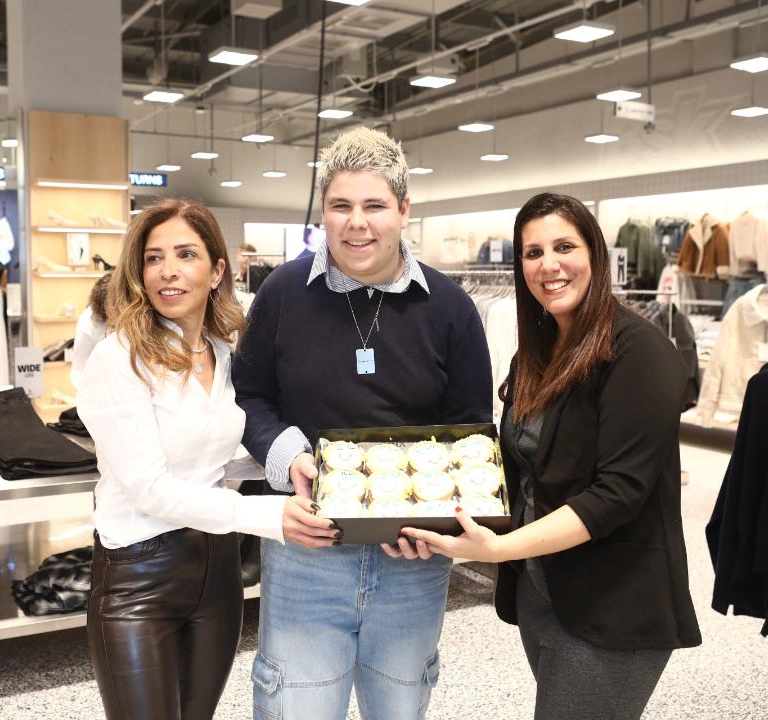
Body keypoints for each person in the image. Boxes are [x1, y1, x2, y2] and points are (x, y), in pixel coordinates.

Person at [402, 192, 702, 720]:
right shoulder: (537, 353)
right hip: (542, 590)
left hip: (613, 601)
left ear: (595, 254)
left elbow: (618, 494)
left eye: (565, 247)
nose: (549, 265)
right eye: (533, 252)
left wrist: (501, 548)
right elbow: (516, 464)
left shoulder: (640, 352)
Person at [232, 126, 492, 720]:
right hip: (306, 546)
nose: (357, 223)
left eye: (374, 205)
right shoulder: (283, 293)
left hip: (413, 557)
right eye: (340, 206)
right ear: (322, 213)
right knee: (296, 705)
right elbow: (249, 396)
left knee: (399, 705)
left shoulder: (451, 308)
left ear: (403, 210)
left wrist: (436, 516)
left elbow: (470, 428)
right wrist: (290, 457)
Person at [75, 198, 335, 720]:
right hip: (139, 577)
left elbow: (207, 457)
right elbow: (149, 487)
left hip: (216, 570)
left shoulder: (220, 351)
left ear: (217, 271)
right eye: (153, 258)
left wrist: (283, 465)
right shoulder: (119, 358)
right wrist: (269, 515)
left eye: (186, 254)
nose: (167, 271)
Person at [69, 272, 111, 389]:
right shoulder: (88, 324)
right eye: (112, 303)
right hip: (96, 387)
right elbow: (78, 369)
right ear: (103, 305)